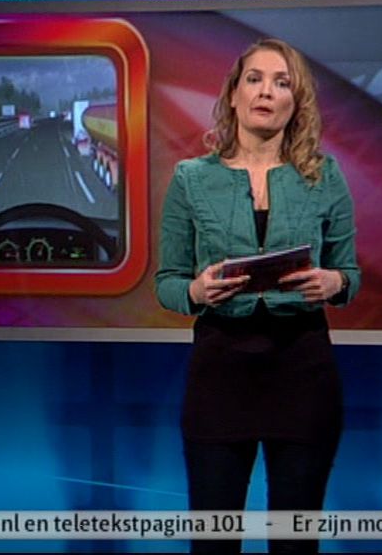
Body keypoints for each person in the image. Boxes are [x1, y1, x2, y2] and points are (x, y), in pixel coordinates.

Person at [154, 38, 360, 554]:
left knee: (294, 543)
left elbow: (349, 272)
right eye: (255, 79)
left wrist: (333, 283)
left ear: (296, 101)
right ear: (233, 95)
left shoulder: (324, 176)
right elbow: (167, 282)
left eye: (281, 82)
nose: (266, 91)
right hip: (221, 371)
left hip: (303, 371)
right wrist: (196, 289)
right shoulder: (191, 179)